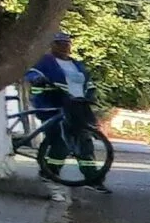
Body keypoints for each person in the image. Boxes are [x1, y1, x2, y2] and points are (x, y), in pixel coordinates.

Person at [26, 33, 106, 188]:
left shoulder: (77, 65)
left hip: (78, 106)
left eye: (66, 44)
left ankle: (92, 178)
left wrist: (90, 95)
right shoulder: (45, 62)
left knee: (84, 142)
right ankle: (50, 171)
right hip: (54, 105)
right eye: (59, 43)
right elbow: (31, 73)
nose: (63, 47)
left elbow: (88, 83)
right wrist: (37, 80)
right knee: (60, 140)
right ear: (52, 45)